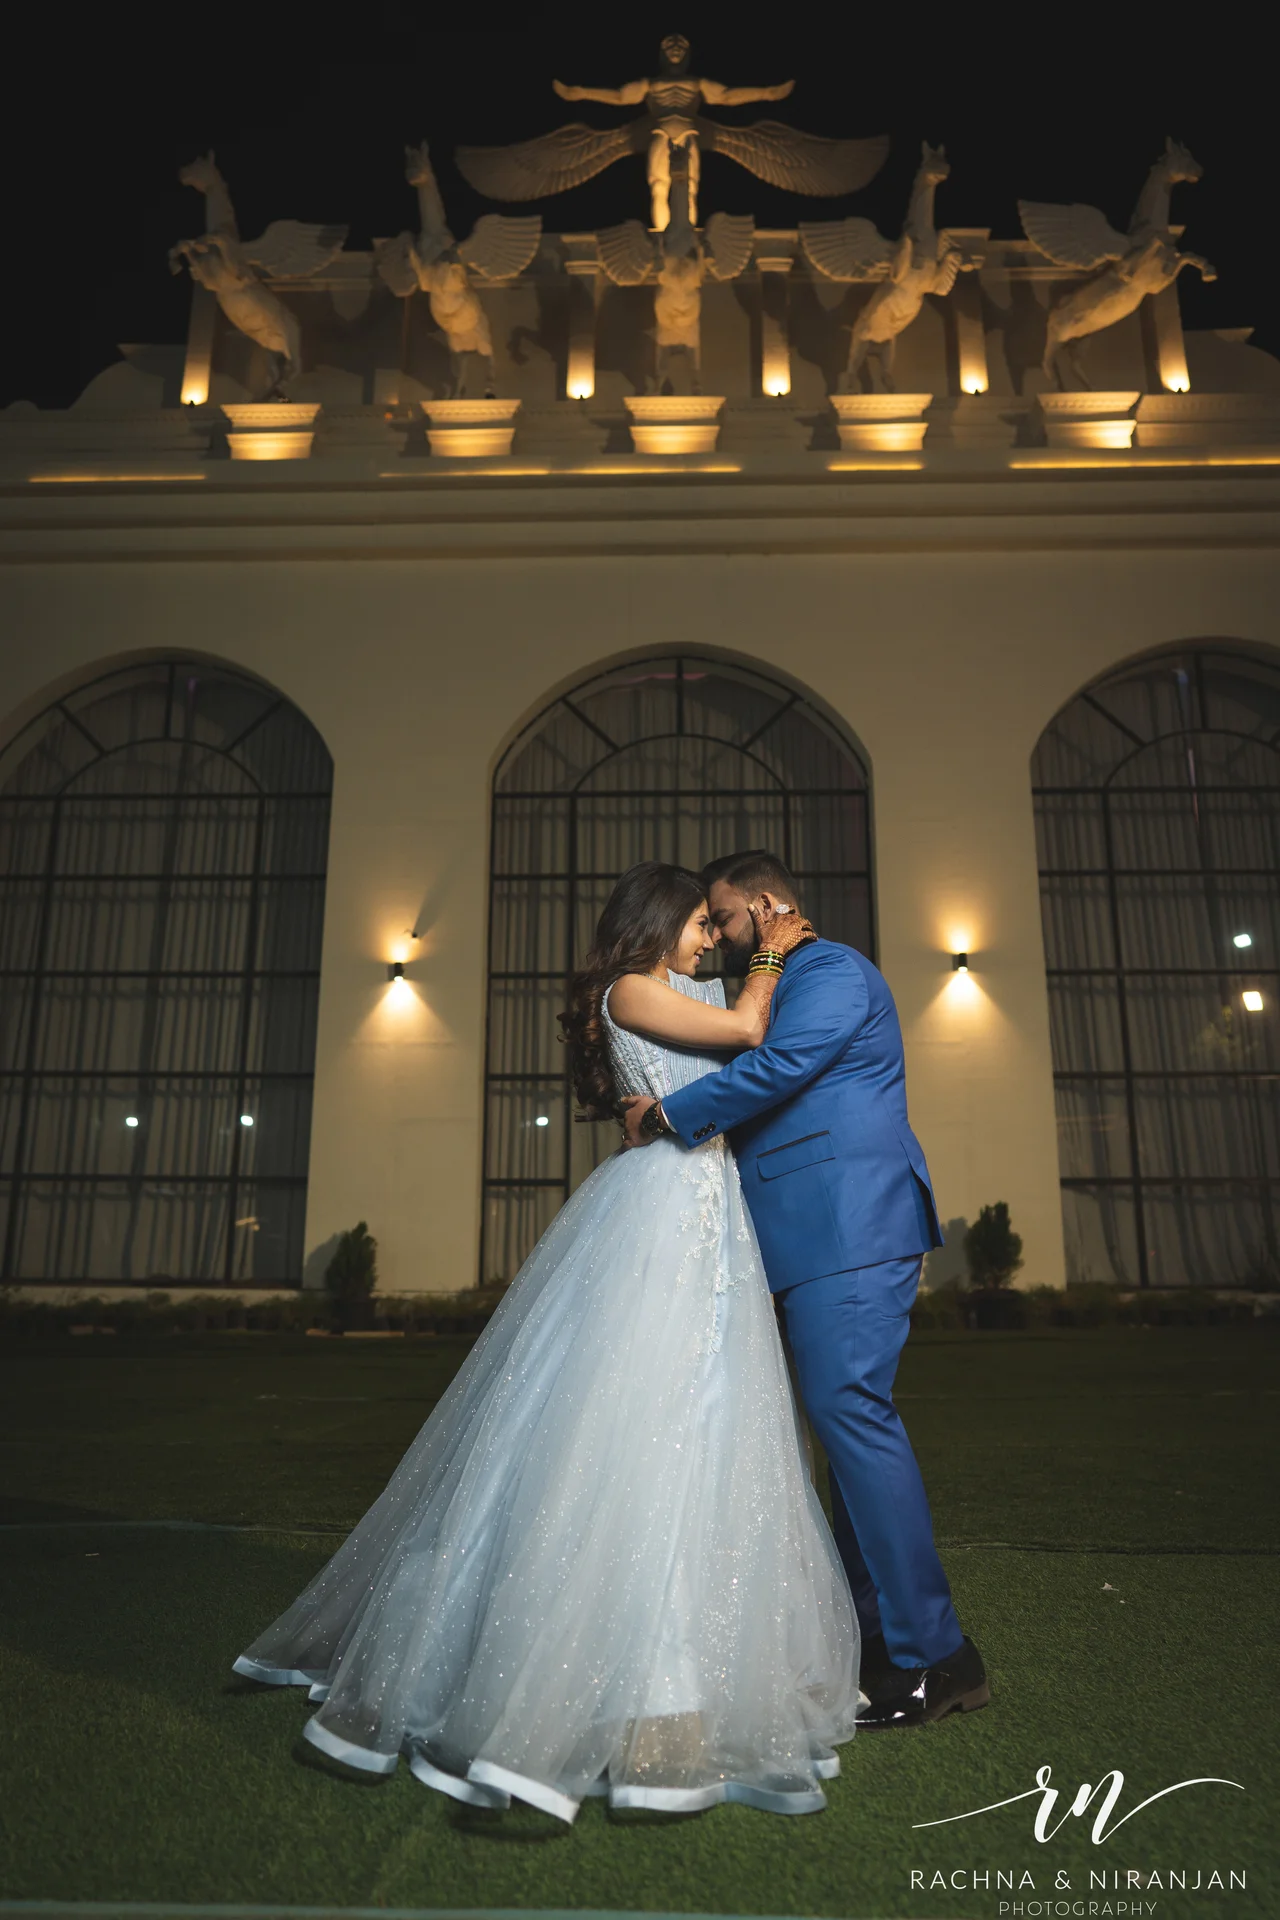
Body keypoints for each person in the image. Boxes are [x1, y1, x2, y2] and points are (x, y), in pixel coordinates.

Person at [231, 861, 865, 1821]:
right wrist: (775, 948)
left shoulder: (683, 984)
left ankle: (688, 1677)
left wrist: (750, 980)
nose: (710, 940)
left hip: (709, 1209)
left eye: (714, 925)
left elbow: (740, 1055)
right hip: (657, 1216)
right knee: (624, 1419)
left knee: (708, 1422)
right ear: (656, 923)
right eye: (699, 923)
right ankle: (559, 1678)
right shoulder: (632, 989)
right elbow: (746, 1033)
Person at [622, 851, 990, 1730]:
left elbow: (778, 1070)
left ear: (767, 905)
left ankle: (939, 1656)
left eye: (726, 922)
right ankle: (883, 1650)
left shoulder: (831, 971)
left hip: (850, 1228)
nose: (716, 943)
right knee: (841, 1436)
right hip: (799, 1241)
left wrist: (669, 1116)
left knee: (853, 1416)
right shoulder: (770, 985)